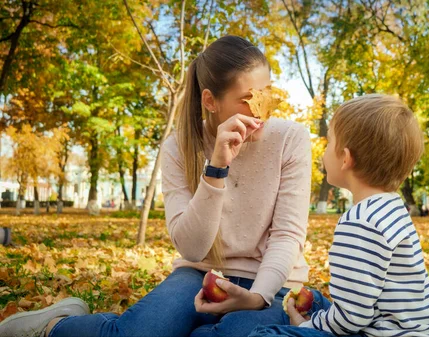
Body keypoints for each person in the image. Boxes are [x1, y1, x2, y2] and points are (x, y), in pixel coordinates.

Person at [0, 35, 312, 337]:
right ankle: (57, 325)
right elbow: (192, 248)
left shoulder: (290, 138)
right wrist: (216, 167)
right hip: (200, 272)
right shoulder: (179, 147)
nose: (262, 110)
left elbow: (287, 235)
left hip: (275, 282)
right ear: (210, 101)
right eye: (248, 100)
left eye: (267, 94)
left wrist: (257, 297)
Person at [250, 94, 429, 337]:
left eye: (329, 142)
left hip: (379, 333)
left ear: (346, 158)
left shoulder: (359, 222)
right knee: (316, 299)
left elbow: (353, 318)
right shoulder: (393, 208)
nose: (324, 151)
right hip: (413, 331)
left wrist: (306, 327)